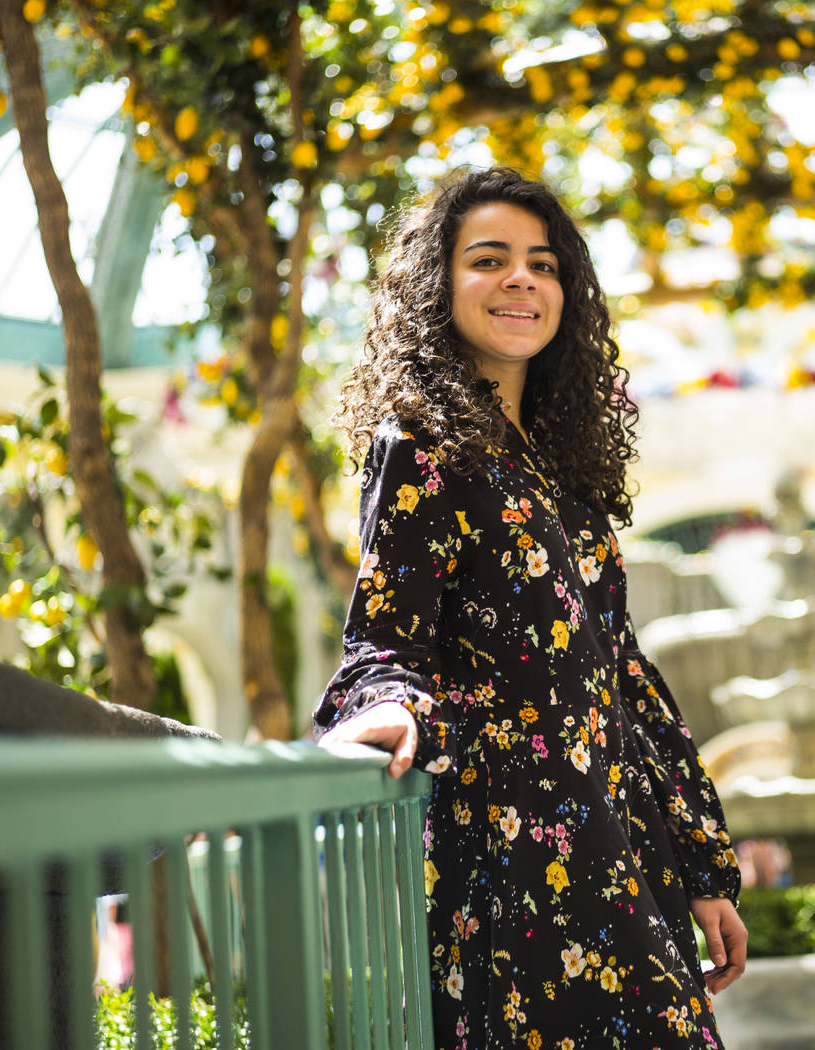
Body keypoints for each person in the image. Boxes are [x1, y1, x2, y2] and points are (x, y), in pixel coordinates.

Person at [314, 167, 747, 1050]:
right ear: (438, 285)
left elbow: (623, 674)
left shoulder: (561, 470)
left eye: (543, 264)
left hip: (617, 843)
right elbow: (387, 634)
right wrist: (385, 704)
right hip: (513, 852)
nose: (521, 279)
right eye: (490, 259)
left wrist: (701, 863)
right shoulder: (422, 444)